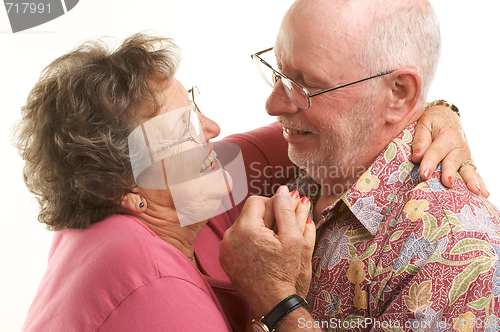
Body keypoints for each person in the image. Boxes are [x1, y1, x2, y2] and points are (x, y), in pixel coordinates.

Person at [13, 33, 482, 332]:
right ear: (128, 192)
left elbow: (337, 133)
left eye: (194, 105)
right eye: (184, 130)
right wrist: (280, 303)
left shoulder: (177, 192)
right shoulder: (151, 292)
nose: (212, 129)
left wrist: (435, 112)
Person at [219, 0, 500, 331]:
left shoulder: (455, 248)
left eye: (306, 84)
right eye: (278, 71)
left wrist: (278, 301)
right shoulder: (310, 150)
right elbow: (176, 176)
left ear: (399, 93)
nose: (273, 105)